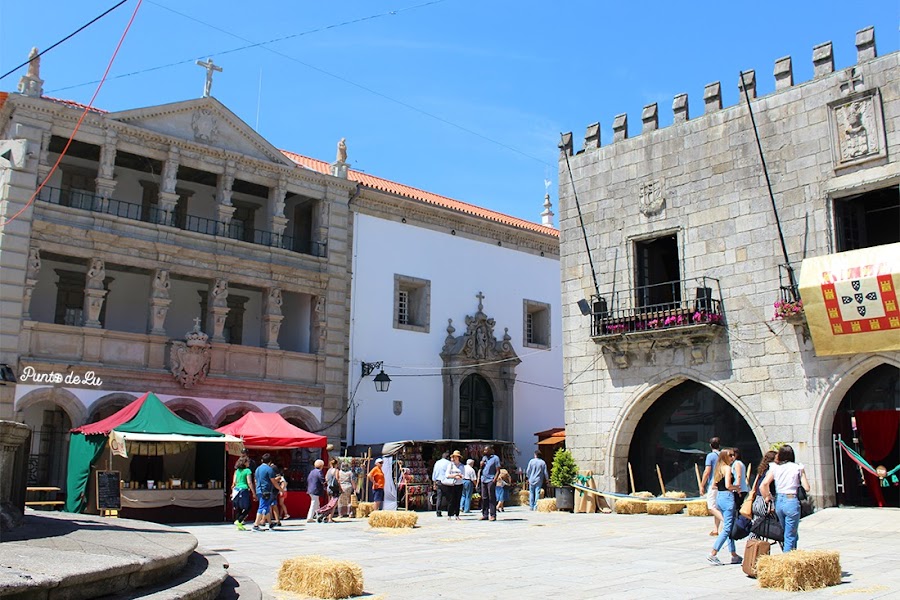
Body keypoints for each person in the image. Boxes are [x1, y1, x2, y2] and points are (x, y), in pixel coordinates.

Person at [760, 444, 810, 553]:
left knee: (789, 533)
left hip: (779, 501)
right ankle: (787, 561)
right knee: (790, 535)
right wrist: (802, 475)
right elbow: (807, 487)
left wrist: (767, 497)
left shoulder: (775, 468)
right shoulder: (797, 467)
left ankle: (793, 556)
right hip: (791, 500)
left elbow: (764, 484)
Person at [707, 449, 742, 566]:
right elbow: (728, 485)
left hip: (720, 497)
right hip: (727, 497)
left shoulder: (718, 468)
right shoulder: (727, 468)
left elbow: (714, 486)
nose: (733, 457)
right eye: (730, 455)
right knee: (727, 528)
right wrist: (736, 488)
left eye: (733, 455)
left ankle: (733, 554)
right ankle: (713, 553)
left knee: (728, 526)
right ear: (724, 457)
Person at [699, 437, 723, 537]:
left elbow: (707, 471)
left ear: (710, 445)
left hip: (713, 483)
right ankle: (716, 529)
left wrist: (702, 485)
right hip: (722, 483)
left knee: (711, 507)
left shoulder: (711, 456)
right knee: (716, 506)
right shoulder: (723, 455)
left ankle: (727, 522)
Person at [253, 454, 279, 531]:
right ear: (270, 461)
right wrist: (280, 489)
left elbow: (255, 480)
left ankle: (270, 524)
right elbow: (273, 481)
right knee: (262, 507)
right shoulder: (269, 469)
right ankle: (256, 525)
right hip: (266, 490)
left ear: (262, 460)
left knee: (266, 507)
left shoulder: (257, 469)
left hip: (259, 490)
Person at [231, 455, 254, 530]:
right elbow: (249, 482)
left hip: (237, 490)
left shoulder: (237, 471)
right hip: (244, 490)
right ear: (245, 463)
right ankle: (239, 520)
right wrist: (254, 492)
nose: (249, 463)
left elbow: (234, 482)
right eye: (248, 462)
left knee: (239, 507)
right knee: (248, 507)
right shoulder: (247, 471)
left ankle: (239, 524)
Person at [479, 445, 501, 521]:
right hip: (483, 479)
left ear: (491, 450)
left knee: (491, 497)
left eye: (486, 450)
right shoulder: (484, 458)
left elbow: (498, 470)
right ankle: (485, 514)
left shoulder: (495, 458)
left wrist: (494, 480)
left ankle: (493, 515)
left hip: (490, 479)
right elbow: (481, 468)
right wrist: (481, 464)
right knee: (484, 497)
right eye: (484, 450)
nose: (485, 452)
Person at [443, 451, 464, 520]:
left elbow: (463, 475)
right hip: (452, 484)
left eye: (456, 457)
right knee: (451, 500)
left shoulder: (461, 466)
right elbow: (447, 475)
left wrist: (460, 476)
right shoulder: (450, 465)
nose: (454, 458)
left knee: (458, 500)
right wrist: (454, 476)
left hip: (459, 484)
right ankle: (449, 514)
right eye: (453, 457)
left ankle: (457, 515)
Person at [431, 451, 451, 517]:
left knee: (439, 497)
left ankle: (438, 512)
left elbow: (434, 472)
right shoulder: (449, 463)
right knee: (449, 497)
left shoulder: (437, 463)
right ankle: (449, 511)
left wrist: (434, 482)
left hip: (439, 481)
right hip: (446, 481)